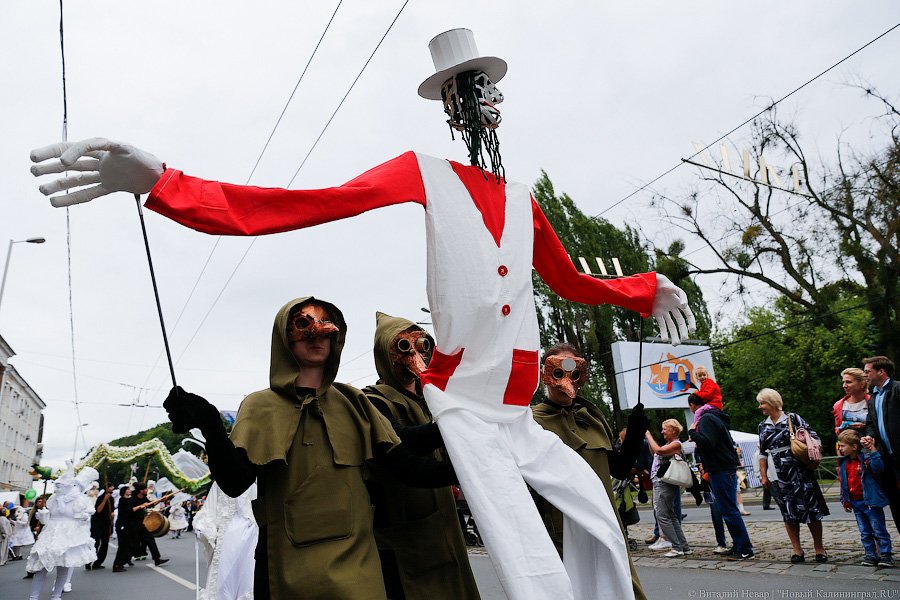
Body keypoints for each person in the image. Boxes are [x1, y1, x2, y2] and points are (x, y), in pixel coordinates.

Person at [31, 29, 697, 600]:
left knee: (602, 528)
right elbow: (302, 204)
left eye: (488, 89)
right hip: (464, 406)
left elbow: (570, 279)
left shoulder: (523, 200)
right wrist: (167, 184)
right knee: (530, 571)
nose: (483, 101)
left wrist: (643, 289)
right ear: (451, 110)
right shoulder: (425, 173)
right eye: (467, 91)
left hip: (516, 407)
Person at [163, 296, 457, 599]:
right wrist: (211, 425)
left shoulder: (354, 403)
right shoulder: (261, 406)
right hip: (287, 570)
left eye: (325, 326)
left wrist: (474, 464)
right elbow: (235, 482)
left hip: (357, 570)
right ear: (284, 336)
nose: (317, 335)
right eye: (303, 324)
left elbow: (409, 468)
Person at [362, 311, 480, 600]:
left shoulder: (434, 400)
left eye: (422, 345)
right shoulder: (371, 401)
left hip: (443, 531)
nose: (415, 354)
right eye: (403, 346)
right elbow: (403, 445)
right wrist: (454, 423)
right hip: (402, 540)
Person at [530, 342, 649, 599]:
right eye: (558, 370)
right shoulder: (531, 421)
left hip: (605, 521)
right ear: (545, 374)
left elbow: (619, 468)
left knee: (623, 586)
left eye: (574, 370)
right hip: (563, 529)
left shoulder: (592, 416)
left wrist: (635, 433)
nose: (567, 379)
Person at [756, 388, 829, 563]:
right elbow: (762, 453)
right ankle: (797, 550)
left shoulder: (792, 418)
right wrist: (763, 475)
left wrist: (808, 448)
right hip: (779, 475)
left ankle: (819, 549)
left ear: (772, 402)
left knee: (812, 510)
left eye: (762, 403)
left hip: (801, 472)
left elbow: (815, 438)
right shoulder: (763, 426)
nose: (760, 407)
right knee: (788, 513)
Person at [687, 394, 754, 560]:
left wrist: (692, 433)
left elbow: (708, 443)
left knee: (729, 509)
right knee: (728, 508)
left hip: (720, 468)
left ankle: (744, 548)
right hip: (723, 467)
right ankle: (739, 544)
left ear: (692, 405)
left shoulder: (706, 419)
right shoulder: (714, 417)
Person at [26, 464, 98, 600]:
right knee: (41, 565)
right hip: (51, 533)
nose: (56, 488)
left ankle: (56, 596)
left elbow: (84, 516)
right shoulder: (53, 499)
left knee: (64, 566)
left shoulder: (80, 500)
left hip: (69, 534)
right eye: (56, 486)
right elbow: (47, 519)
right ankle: (33, 597)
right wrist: (42, 516)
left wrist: (84, 517)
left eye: (60, 486)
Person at [837, 430, 893, 567]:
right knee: (864, 531)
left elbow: (878, 467)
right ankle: (871, 555)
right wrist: (845, 500)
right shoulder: (844, 463)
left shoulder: (866, 459)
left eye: (843, 446)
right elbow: (843, 483)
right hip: (856, 503)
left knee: (879, 529)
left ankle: (886, 555)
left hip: (870, 502)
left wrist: (872, 449)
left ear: (854, 447)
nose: (840, 448)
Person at [863, 355, 900, 534]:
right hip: (887, 458)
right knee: (895, 501)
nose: (865, 375)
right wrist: (870, 438)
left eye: (867, 371)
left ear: (881, 371)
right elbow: (870, 424)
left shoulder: (897, 389)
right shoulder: (872, 398)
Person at [645, 419, 691, 557]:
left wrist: (648, 436)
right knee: (671, 515)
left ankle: (677, 547)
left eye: (665, 429)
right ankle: (684, 546)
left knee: (662, 516)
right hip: (662, 482)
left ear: (674, 430)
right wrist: (649, 441)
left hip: (664, 483)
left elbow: (658, 451)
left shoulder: (676, 444)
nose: (662, 431)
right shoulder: (670, 444)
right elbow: (655, 451)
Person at [114, 482, 169, 571]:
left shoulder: (143, 497)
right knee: (131, 545)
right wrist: (141, 506)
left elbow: (151, 504)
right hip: (131, 525)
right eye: (145, 489)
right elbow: (129, 511)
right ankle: (118, 564)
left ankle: (157, 559)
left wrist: (161, 499)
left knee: (150, 539)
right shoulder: (132, 499)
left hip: (140, 523)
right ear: (141, 491)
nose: (147, 490)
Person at [834, 367, 870, 436]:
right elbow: (837, 430)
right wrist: (846, 426)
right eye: (844, 382)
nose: (844, 386)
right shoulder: (839, 405)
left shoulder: (873, 402)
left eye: (848, 382)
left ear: (862, 384)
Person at [88, 482, 115, 570]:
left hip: (106, 523)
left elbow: (111, 511)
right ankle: (89, 561)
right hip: (97, 522)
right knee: (96, 543)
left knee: (105, 543)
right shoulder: (101, 498)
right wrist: (104, 499)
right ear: (107, 488)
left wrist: (112, 515)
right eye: (111, 487)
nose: (113, 488)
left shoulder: (112, 499)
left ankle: (98, 563)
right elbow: (98, 510)